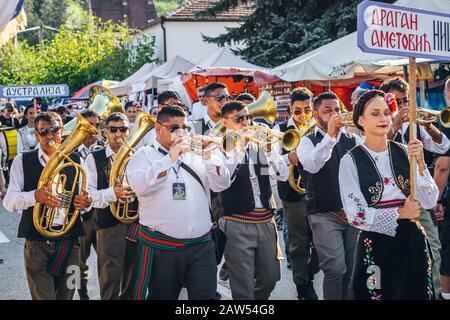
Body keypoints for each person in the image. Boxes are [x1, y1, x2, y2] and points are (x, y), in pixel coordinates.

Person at [340, 89, 438, 299]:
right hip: (376, 243)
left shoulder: (404, 151)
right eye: (375, 113)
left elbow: (430, 200)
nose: (383, 118)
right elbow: (355, 214)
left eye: (386, 112)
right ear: (361, 120)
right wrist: (399, 213)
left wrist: (420, 163)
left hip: (412, 240)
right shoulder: (351, 160)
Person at [126, 106, 231, 300]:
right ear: (158, 129)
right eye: (175, 128)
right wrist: (170, 158)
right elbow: (140, 187)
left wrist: (210, 159)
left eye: (186, 127)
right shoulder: (143, 156)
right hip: (163, 247)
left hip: (202, 245)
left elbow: (222, 184)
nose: (182, 133)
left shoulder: (198, 154)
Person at [3, 112, 93, 300]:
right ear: (36, 135)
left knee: (67, 295)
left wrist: (85, 203)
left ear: (63, 131)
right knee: (44, 297)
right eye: (44, 131)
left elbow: (86, 204)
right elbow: (9, 201)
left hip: (71, 243)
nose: (50, 136)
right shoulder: (22, 160)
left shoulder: (77, 160)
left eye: (55, 130)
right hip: (37, 244)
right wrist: (35, 196)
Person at [381, 77, 449, 294]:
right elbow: (379, 152)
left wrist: (428, 125)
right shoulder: (377, 122)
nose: (401, 107)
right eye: (396, 102)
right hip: (387, 202)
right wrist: (395, 125)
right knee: (393, 255)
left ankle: (436, 294)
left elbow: (443, 145)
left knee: (434, 249)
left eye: (405, 101)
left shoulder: (414, 125)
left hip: (416, 198)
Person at [219, 101, 289, 300]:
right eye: (239, 118)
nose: (246, 122)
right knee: (242, 284)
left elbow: (281, 175)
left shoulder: (259, 147)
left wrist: (269, 150)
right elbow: (223, 179)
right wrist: (239, 147)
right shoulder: (221, 146)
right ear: (225, 122)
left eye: (248, 117)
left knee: (271, 277)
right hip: (237, 221)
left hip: (266, 220)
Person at [297, 91, 360, 300]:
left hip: (353, 214)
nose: (334, 114)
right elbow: (312, 165)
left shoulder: (354, 139)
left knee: (350, 271)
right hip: (324, 214)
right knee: (335, 269)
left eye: (337, 110)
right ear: (315, 115)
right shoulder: (307, 141)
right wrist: (331, 136)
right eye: (327, 111)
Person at [84, 112, 137, 300]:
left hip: (135, 223)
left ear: (129, 131)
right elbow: (89, 194)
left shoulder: (139, 156)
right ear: (105, 132)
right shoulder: (94, 158)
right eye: (113, 129)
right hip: (108, 224)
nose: (118, 134)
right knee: (110, 278)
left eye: (123, 129)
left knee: (134, 278)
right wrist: (113, 193)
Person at [273, 87, 320, 299]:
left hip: (318, 191)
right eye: (298, 111)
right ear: (291, 109)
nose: (303, 115)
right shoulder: (280, 130)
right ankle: (302, 285)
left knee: (322, 239)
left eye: (307, 110)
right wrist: (286, 159)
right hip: (293, 194)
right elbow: (271, 164)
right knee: (299, 242)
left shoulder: (317, 128)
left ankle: (310, 271)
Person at [76, 110, 102, 300]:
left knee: (107, 260)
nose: (94, 129)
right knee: (78, 261)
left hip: (102, 213)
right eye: (89, 124)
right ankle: (81, 291)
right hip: (82, 217)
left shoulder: (105, 149)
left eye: (97, 125)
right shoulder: (70, 152)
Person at [432, 77, 450, 300]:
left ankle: (446, 295)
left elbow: (443, 166)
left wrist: (434, 199)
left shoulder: (447, 119)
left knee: (447, 249)